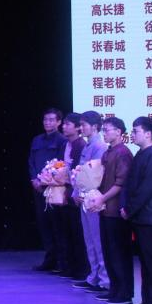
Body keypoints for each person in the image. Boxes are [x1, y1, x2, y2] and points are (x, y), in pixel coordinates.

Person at [122, 116, 152, 304]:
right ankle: (147, 300)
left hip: (150, 217)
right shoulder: (141, 154)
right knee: (145, 261)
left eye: (136, 131)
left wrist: (129, 209)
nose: (132, 134)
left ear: (148, 134)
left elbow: (147, 189)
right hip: (140, 217)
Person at [90, 116, 133, 304]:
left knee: (119, 253)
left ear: (118, 132)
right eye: (104, 130)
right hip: (105, 210)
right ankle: (114, 289)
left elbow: (120, 183)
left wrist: (102, 198)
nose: (104, 133)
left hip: (117, 211)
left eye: (107, 130)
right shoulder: (108, 152)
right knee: (108, 251)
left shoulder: (123, 153)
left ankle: (124, 292)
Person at [72, 110, 109, 293]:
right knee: (89, 239)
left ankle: (104, 280)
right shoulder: (88, 146)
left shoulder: (100, 146)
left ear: (94, 126)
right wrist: (76, 192)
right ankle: (93, 276)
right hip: (84, 196)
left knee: (97, 239)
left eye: (84, 125)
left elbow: (94, 175)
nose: (81, 128)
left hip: (93, 197)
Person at [28, 108, 67, 271]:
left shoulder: (62, 140)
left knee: (57, 225)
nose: (47, 123)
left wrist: (46, 180)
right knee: (44, 224)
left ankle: (61, 262)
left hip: (54, 188)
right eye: (45, 119)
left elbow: (61, 165)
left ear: (59, 122)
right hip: (38, 188)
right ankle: (49, 259)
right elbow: (31, 161)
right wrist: (34, 179)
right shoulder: (37, 140)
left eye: (51, 120)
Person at [57, 112, 89, 281]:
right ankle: (69, 267)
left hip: (76, 194)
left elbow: (79, 172)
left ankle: (81, 270)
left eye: (68, 124)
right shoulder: (65, 144)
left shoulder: (81, 145)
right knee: (66, 232)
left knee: (78, 233)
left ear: (78, 128)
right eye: (64, 124)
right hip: (66, 192)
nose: (64, 127)